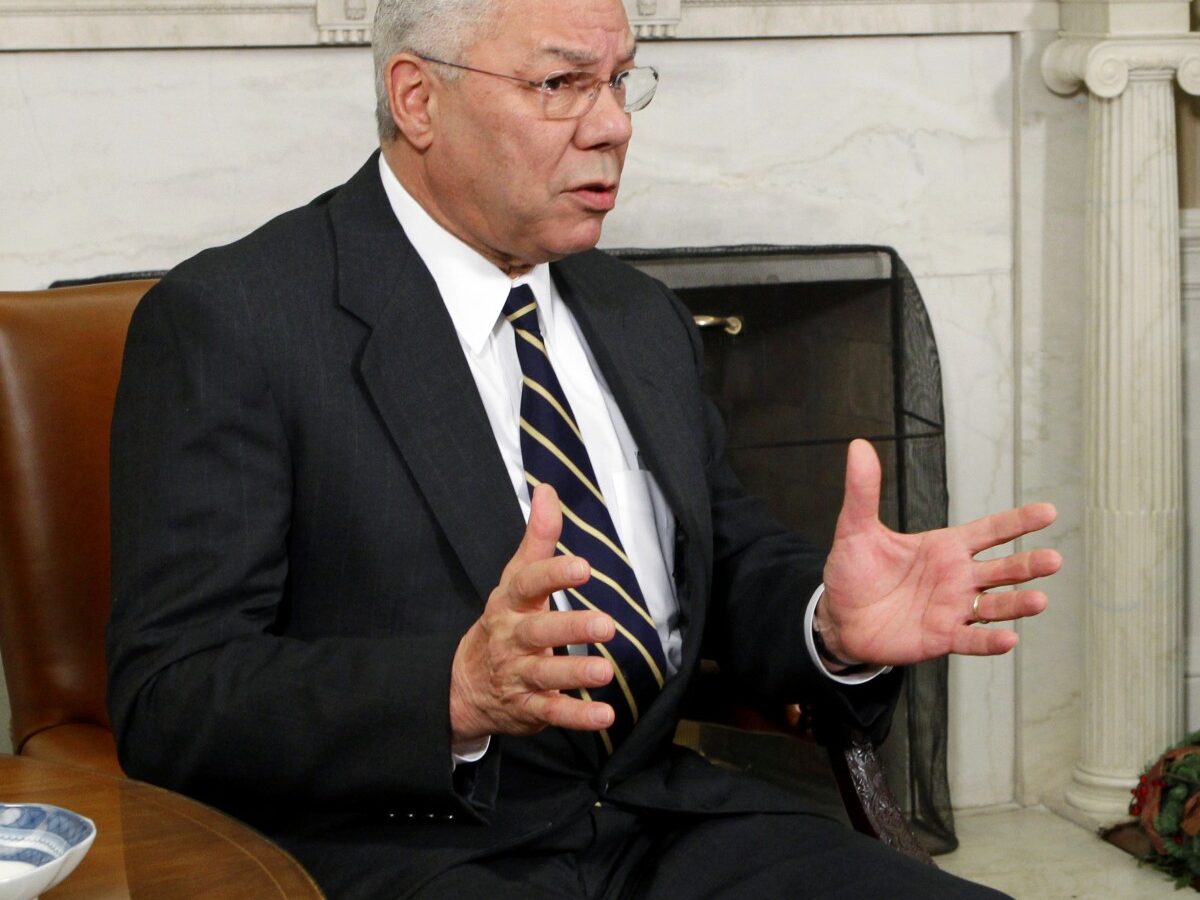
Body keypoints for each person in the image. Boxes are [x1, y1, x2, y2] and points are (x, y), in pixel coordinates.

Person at [105, 0, 1062, 896]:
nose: (612, 125)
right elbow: (170, 695)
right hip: (417, 849)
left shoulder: (636, 314)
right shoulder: (234, 321)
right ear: (416, 98)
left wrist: (829, 626)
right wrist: (453, 691)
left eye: (621, 81)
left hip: (666, 823)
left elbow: (722, 567)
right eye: (560, 85)